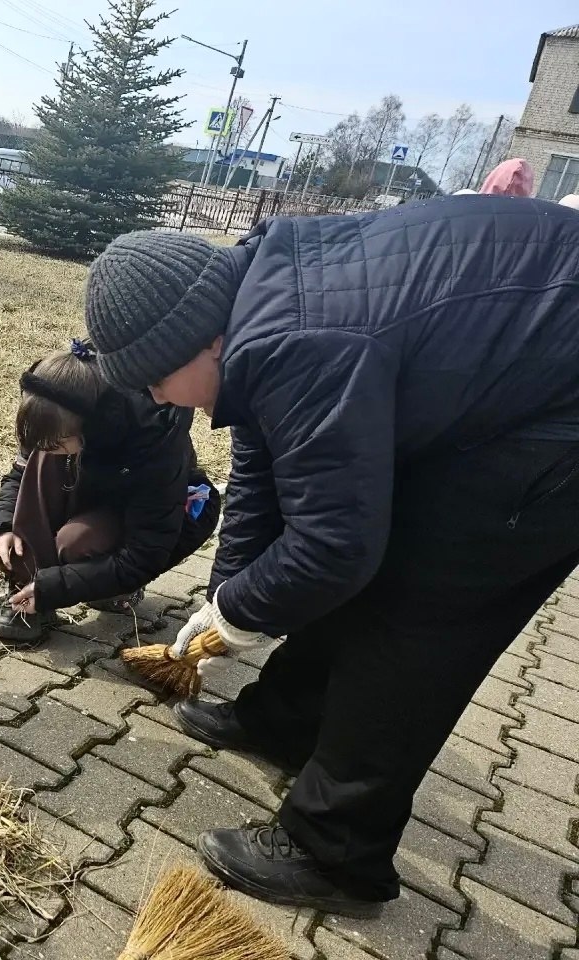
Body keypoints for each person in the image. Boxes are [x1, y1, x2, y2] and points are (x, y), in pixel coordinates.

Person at [83, 206, 579, 915]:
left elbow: (335, 545)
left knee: (418, 612)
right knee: (366, 539)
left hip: (558, 425)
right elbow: (265, 470)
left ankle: (335, 850)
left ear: (202, 344)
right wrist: (228, 597)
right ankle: (285, 721)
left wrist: (245, 615)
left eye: (154, 382)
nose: (158, 401)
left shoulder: (298, 338)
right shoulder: (261, 296)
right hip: (516, 381)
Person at [0, 338, 218, 644]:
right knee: (43, 460)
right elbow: (19, 477)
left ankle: (112, 590)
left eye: (60, 442)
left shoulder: (155, 443)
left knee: (75, 543)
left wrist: (54, 588)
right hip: (92, 494)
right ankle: (24, 591)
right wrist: (1, 529)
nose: (48, 449)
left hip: (147, 519)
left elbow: (143, 554)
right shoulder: (52, 415)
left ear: (93, 427)